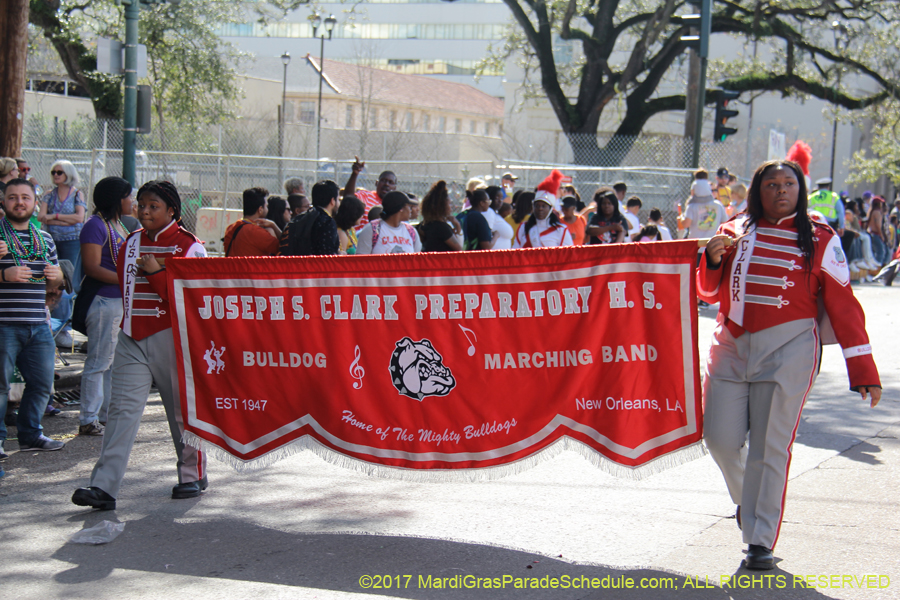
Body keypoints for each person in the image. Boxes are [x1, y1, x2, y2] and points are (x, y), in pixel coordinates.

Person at [700, 159, 881, 570]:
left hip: (790, 349)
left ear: (800, 190)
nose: (781, 190)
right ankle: (749, 501)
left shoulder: (821, 238)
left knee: (770, 446)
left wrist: (863, 371)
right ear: (757, 191)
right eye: (771, 184)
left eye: (788, 183)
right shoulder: (732, 230)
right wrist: (710, 262)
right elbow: (708, 293)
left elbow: (844, 305)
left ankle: (759, 540)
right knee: (719, 439)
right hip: (730, 345)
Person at [72, 180, 208, 511]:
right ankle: (103, 487)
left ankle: (192, 475)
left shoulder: (190, 246)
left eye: (153, 206)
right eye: (141, 204)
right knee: (120, 412)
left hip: (174, 339)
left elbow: (192, 299)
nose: (144, 211)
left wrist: (156, 273)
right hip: (131, 336)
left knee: (181, 412)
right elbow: (125, 287)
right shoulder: (131, 242)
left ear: (172, 210)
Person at [0, 179, 66, 459]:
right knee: (0, 386)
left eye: (25, 197)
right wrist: (4, 275)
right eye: (13, 197)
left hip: (38, 323)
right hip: (4, 323)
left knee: (41, 383)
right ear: (3, 201)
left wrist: (57, 277)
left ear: (35, 203)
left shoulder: (45, 238)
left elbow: (55, 282)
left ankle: (30, 435)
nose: (19, 202)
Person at [77, 177, 133, 437]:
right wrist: (128, 280)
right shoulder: (95, 225)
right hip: (103, 301)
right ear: (116, 199)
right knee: (99, 362)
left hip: (116, 302)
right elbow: (92, 267)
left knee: (111, 362)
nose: (132, 201)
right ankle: (88, 418)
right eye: (128, 196)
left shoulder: (117, 224)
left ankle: (104, 414)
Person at [38, 160, 85, 292]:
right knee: (51, 273)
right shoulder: (49, 194)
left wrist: (54, 216)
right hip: (51, 239)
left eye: (59, 172)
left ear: (68, 174)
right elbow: (41, 217)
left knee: (69, 274)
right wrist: (67, 221)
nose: (55, 175)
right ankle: (53, 299)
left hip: (71, 240)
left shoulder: (77, 194)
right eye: (53, 172)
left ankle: (69, 300)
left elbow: (79, 218)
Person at [513, 170, 573, 248]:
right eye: (537, 206)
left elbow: (569, 253)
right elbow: (515, 251)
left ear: (551, 209)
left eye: (544, 206)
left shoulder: (561, 230)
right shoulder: (523, 227)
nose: (540, 209)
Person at [279, 180, 340, 256]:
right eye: (338, 199)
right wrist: (339, 255)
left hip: (292, 262)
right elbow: (326, 256)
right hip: (313, 263)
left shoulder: (298, 219)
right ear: (332, 201)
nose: (339, 203)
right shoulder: (327, 222)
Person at [356, 191, 421, 254]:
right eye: (409, 207)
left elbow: (417, 259)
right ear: (401, 209)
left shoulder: (411, 231)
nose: (410, 210)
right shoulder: (372, 230)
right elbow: (361, 259)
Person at [222, 187, 281, 257]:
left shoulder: (231, 228)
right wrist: (273, 225)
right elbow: (284, 247)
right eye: (266, 206)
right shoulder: (256, 232)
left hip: (232, 264)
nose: (268, 209)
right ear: (260, 209)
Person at [343, 157, 397, 228]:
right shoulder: (366, 196)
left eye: (390, 182)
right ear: (376, 183)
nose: (386, 184)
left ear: (395, 188)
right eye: (383, 180)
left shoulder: (395, 206)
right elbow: (348, 198)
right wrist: (355, 174)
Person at [419, 180, 462, 252]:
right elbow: (460, 250)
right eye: (450, 203)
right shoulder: (442, 228)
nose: (451, 206)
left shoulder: (423, 226)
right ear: (441, 206)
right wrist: (458, 225)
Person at [485, 185, 514, 250]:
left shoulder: (494, 213)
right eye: (497, 198)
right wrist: (496, 236)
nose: (500, 201)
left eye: (501, 198)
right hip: (493, 255)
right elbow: (486, 236)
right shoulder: (488, 212)